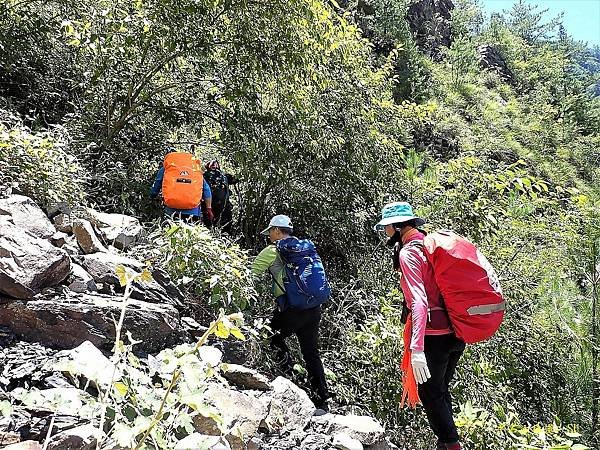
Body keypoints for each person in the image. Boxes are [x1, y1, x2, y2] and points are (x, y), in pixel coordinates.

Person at [375, 202, 464, 450]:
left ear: (396, 226)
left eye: (386, 227)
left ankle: (452, 445)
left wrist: (416, 349)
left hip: (433, 336)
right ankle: (444, 444)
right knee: (440, 393)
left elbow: (419, 302)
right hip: (455, 332)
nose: (385, 232)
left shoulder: (409, 253)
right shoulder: (430, 247)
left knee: (431, 395)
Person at [251, 214, 331, 412]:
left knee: (271, 338)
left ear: (277, 231)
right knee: (311, 353)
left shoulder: (273, 250)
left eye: (270, 231)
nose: (269, 235)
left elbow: (250, 273)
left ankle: (289, 379)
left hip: (292, 309)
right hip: (313, 309)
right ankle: (321, 399)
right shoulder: (304, 249)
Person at [150, 150, 214, 223]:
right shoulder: (195, 170)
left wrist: (152, 196)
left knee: (172, 232)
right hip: (193, 212)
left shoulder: (166, 169)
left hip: (172, 211)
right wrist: (209, 208)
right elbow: (207, 190)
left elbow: (156, 186)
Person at [202, 160, 238, 233]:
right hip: (209, 206)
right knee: (209, 226)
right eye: (211, 164)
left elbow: (236, 179)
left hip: (222, 207)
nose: (214, 165)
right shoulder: (204, 176)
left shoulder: (224, 176)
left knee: (224, 226)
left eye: (215, 164)